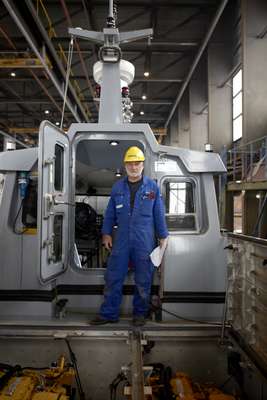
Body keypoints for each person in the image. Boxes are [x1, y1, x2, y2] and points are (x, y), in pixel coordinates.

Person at [90, 146, 168, 326]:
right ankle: (109, 313)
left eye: (137, 163)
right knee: (113, 276)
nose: (134, 167)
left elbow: (159, 214)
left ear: (142, 165)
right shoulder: (118, 187)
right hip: (122, 240)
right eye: (130, 164)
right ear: (125, 165)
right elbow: (110, 213)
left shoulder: (152, 187)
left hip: (144, 241)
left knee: (143, 279)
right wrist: (106, 233)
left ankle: (140, 314)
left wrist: (163, 236)